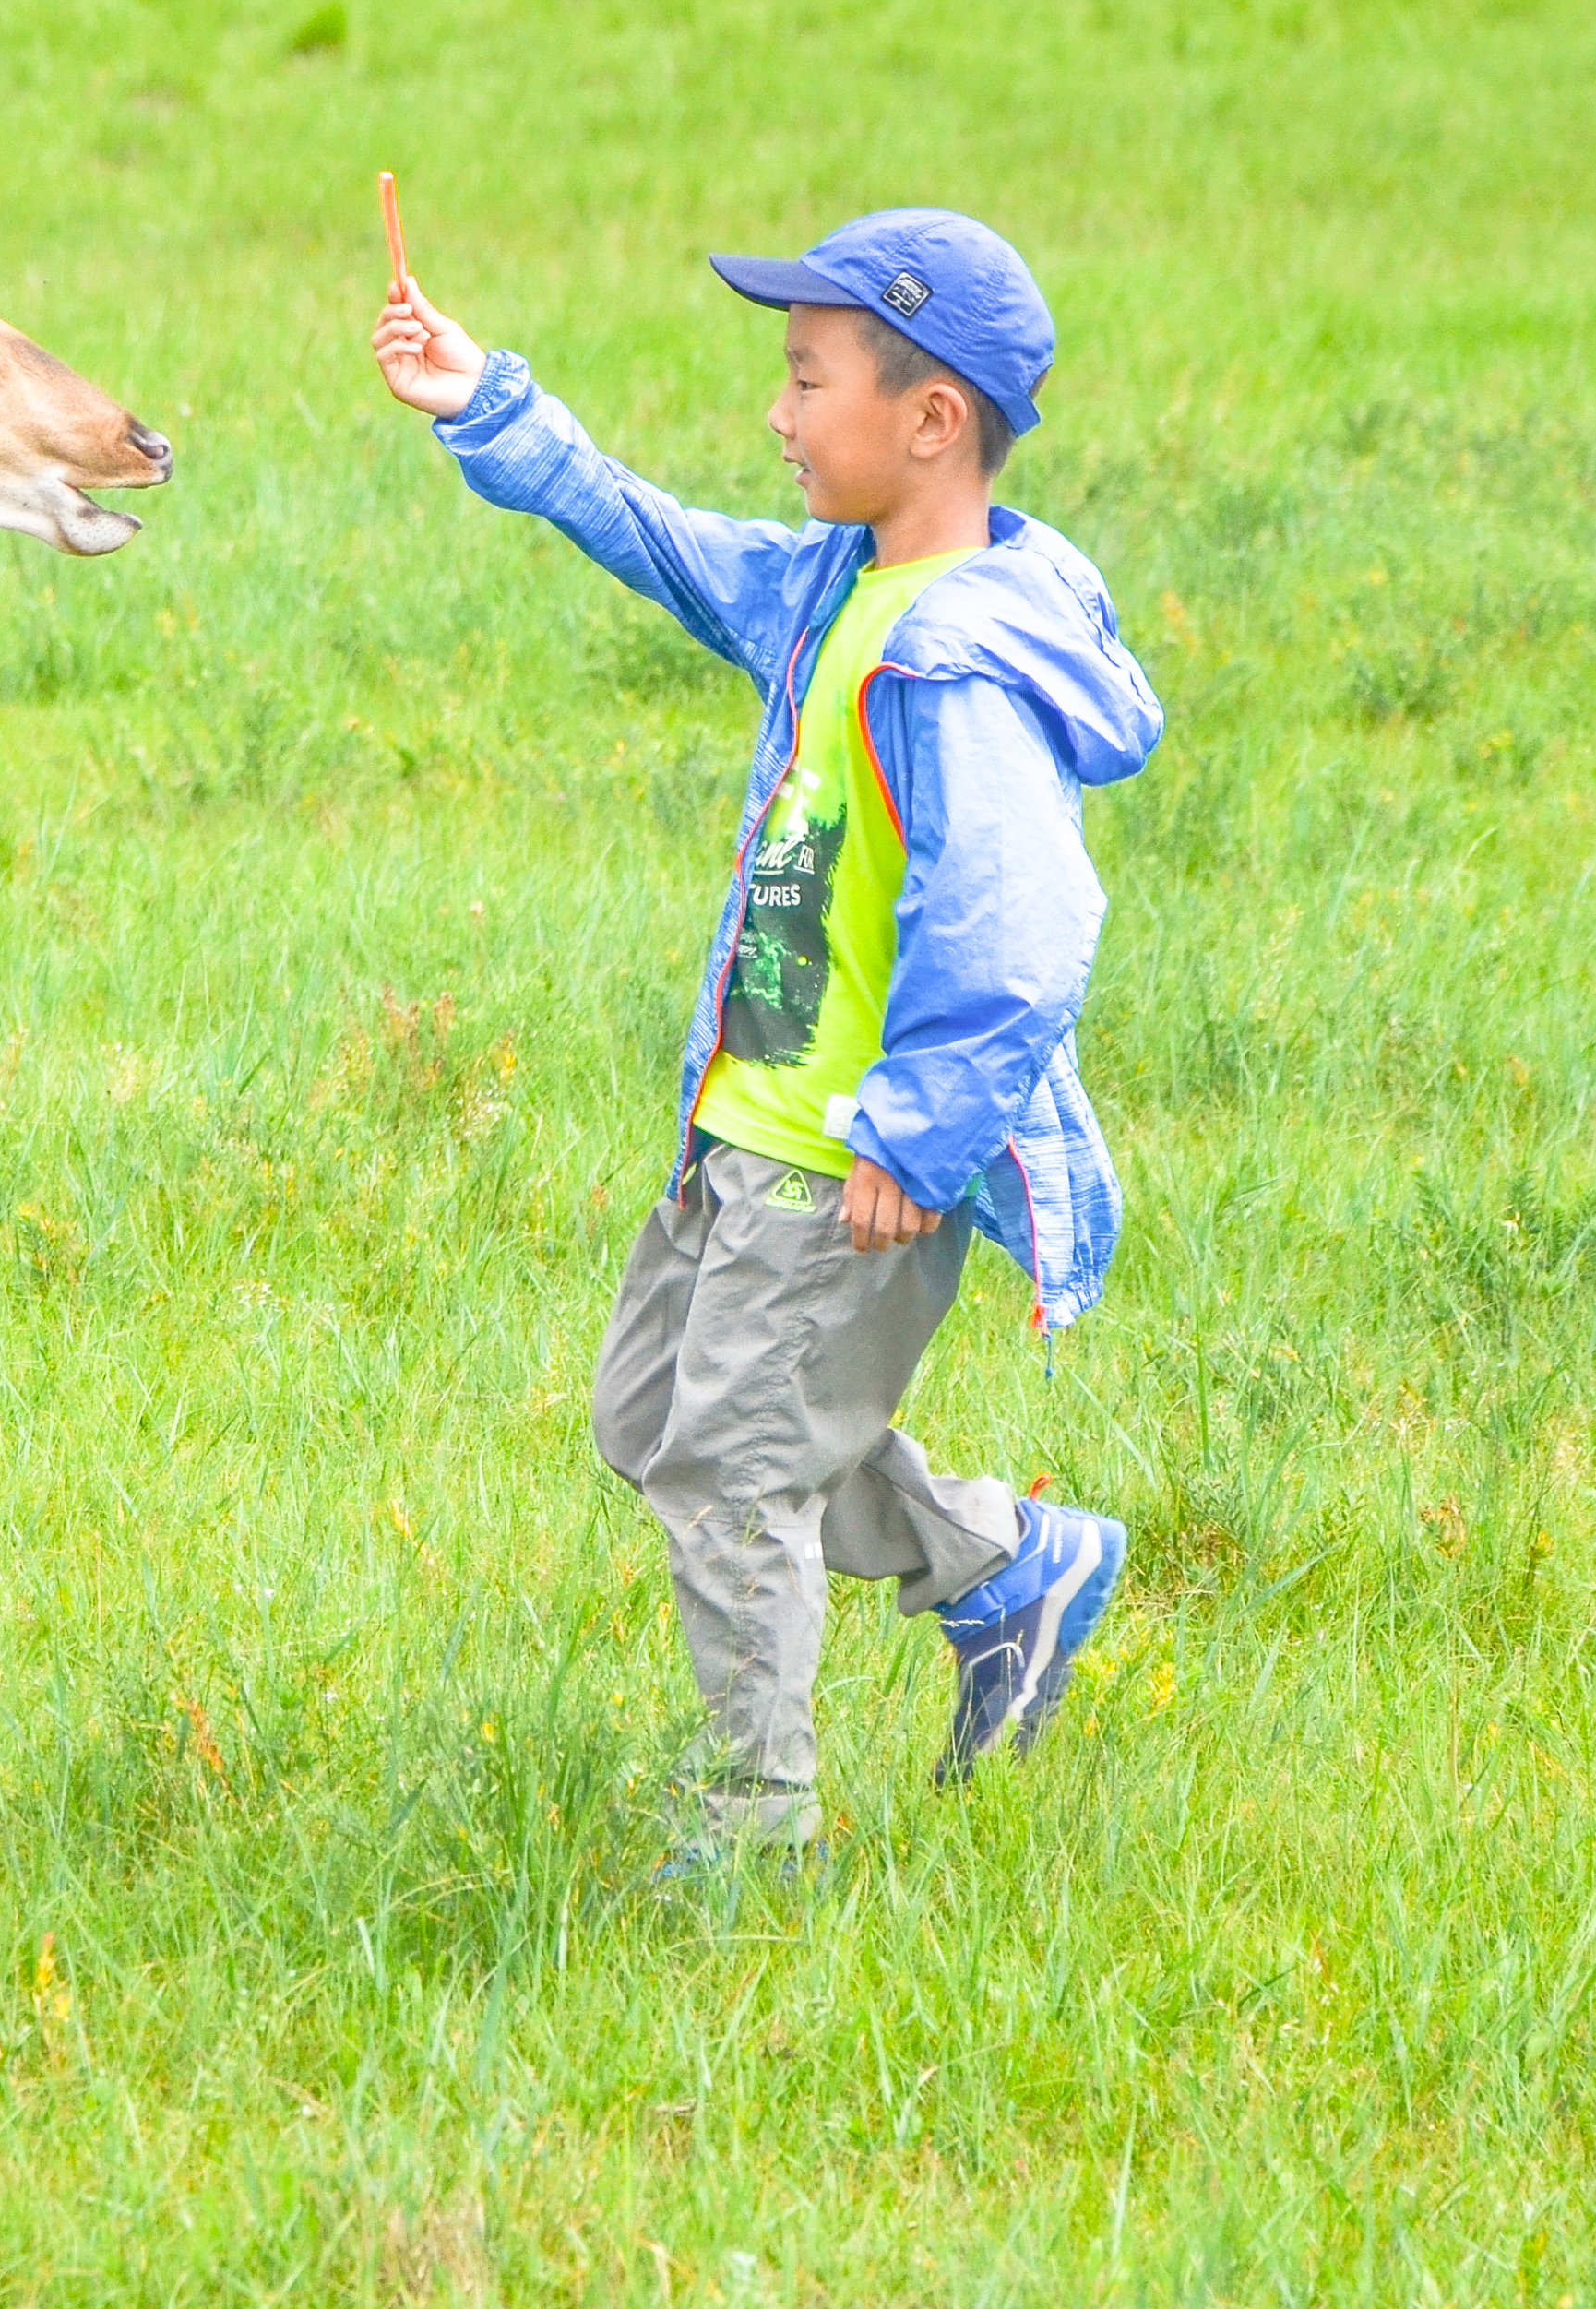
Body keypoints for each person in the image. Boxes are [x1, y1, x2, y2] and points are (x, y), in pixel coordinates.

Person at [371, 208, 1163, 1876]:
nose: (781, 415)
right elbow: (659, 540)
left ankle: (755, 1833)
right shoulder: (833, 591)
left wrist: (915, 1136)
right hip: (739, 1128)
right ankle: (1005, 1568)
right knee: (656, 1418)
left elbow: (1022, 935)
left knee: (733, 1482)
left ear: (929, 417)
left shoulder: (962, 664)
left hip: (846, 1161)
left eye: (808, 381)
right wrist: (489, 407)